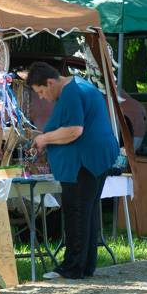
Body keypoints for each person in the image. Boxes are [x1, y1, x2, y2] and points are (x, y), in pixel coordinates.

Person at [26, 61, 118, 280]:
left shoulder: (70, 92)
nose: (41, 97)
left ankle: (72, 267)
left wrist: (45, 138)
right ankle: (85, 266)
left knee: (76, 210)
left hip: (84, 160)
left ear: (50, 82)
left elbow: (75, 130)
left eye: (41, 91)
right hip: (99, 156)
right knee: (88, 212)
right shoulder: (81, 84)